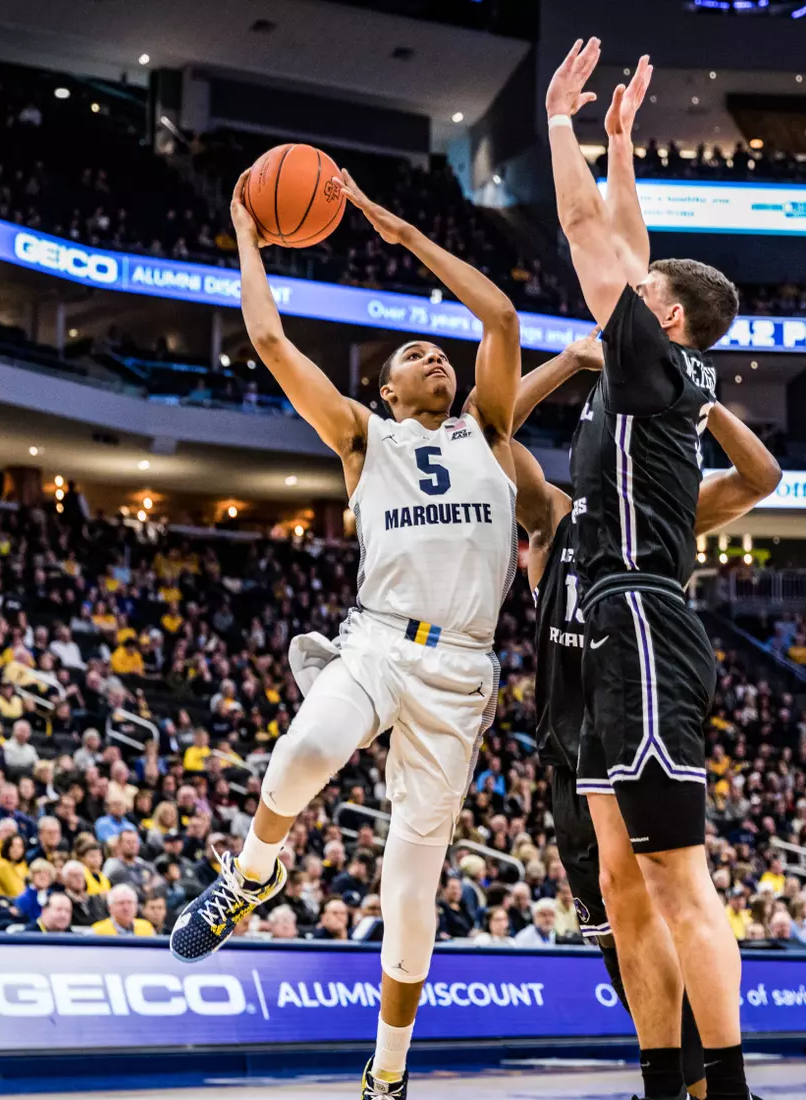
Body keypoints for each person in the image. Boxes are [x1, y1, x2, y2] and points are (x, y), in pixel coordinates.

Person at [173, 161, 523, 1100]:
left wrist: (402, 233)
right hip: (375, 640)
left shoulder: (490, 429)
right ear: (387, 386)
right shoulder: (363, 436)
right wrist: (249, 232)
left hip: (461, 675)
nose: (435, 356)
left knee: (409, 898)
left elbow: (499, 319)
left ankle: (388, 1074)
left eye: (437, 352)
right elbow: (268, 336)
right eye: (414, 354)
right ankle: (251, 876)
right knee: (303, 750)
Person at [546, 44, 751, 1100]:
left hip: (641, 616)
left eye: (641, 292)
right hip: (610, 627)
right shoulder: (661, 359)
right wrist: (621, 142)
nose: (622, 289)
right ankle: (663, 1081)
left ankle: (730, 1084)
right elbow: (632, 239)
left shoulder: (652, 365)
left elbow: (591, 232)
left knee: (676, 873)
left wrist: (556, 123)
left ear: (658, 318)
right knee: (626, 881)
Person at [509, 316, 780, 1098]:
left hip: (632, 698)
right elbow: (486, 427)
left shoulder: (655, 514)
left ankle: (704, 1087)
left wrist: (699, 403)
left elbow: (761, 478)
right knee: (618, 932)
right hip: (567, 747)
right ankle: (670, 1077)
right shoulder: (554, 515)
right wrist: (566, 359)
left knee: (668, 896)